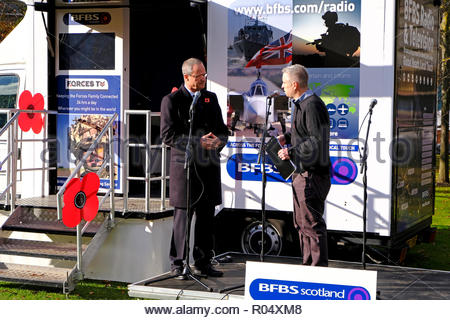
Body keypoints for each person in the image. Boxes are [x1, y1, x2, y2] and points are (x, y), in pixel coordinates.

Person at [160, 58, 228, 278]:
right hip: (185, 170)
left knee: (206, 217)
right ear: (186, 77)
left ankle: (203, 261)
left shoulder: (211, 98)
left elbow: (222, 130)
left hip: (208, 168)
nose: (203, 79)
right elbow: (168, 136)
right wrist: (198, 142)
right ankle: (178, 264)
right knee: (183, 219)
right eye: (199, 76)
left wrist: (218, 141)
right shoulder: (172, 100)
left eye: (204, 75)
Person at [277, 64, 331, 266]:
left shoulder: (312, 105)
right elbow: (304, 133)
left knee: (311, 224)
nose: (282, 87)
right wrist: (287, 137)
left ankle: (317, 272)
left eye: (284, 84)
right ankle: (307, 268)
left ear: (295, 84)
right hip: (300, 173)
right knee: (301, 224)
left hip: (313, 175)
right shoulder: (300, 104)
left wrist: (290, 151)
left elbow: (317, 140)